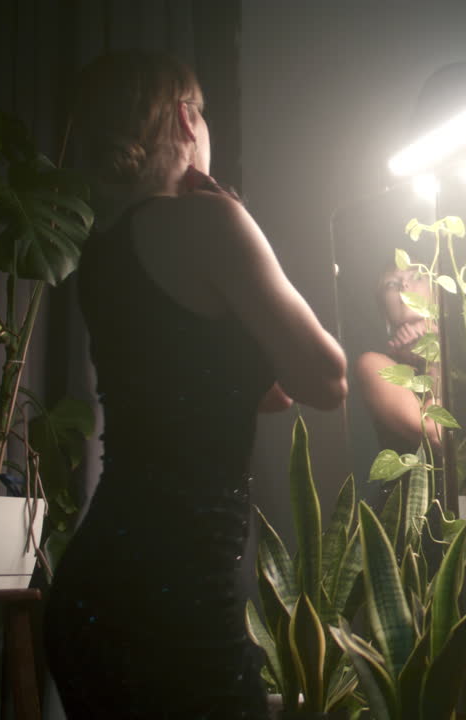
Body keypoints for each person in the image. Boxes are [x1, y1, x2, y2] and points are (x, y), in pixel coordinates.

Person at [43, 49, 347, 718]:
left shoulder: (103, 254)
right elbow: (326, 380)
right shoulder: (213, 223)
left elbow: (263, 392)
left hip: (97, 591)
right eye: (202, 114)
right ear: (185, 117)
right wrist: (244, 226)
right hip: (176, 597)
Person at [353, 261, 444, 454]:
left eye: (417, 277)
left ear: (436, 294)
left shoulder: (462, 349)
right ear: (384, 311)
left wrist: (434, 342)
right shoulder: (374, 365)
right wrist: (433, 362)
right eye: (392, 284)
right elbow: (436, 436)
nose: (405, 285)